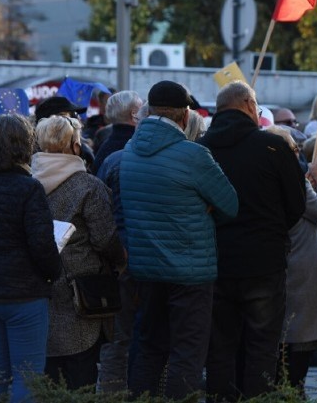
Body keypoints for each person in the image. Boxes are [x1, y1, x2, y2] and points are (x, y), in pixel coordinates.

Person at [120, 81, 238, 400]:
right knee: (187, 353)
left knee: (148, 348)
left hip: (146, 269)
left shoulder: (128, 153)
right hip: (191, 271)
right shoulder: (192, 154)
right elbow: (231, 204)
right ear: (184, 116)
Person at [198, 81, 305, 401]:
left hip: (213, 259)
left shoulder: (200, 148)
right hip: (264, 262)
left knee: (219, 347)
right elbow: (296, 205)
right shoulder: (272, 148)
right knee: (262, 346)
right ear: (247, 104)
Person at [0, 114, 61, 402]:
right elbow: (42, 244)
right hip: (25, 294)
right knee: (28, 377)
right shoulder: (29, 188)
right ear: (25, 145)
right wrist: (52, 273)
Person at [31, 116, 126, 389]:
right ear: (75, 146)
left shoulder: (29, 183)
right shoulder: (88, 186)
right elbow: (105, 238)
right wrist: (121, 260)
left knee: (49, 374)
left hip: (40, 289)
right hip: (82, 293)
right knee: (81, 374)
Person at [265, 125, 317, 394]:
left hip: (280, 268)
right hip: (302, 272)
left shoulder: (262, 178)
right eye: (294, 149)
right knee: (297, 351)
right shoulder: (294, 181)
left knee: (280, 349)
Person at [95, 103, 149, 393]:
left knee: (119, 337)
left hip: (123, 258)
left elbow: (102, 211)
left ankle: (113, 393)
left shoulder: (114, 160)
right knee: (144, 336)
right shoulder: (121, 160)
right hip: (146, 259)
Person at [90, 90, 143, 175]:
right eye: (142, 109)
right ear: (134, 114)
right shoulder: (135, 144)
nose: (145, 113)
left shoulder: (105, 146)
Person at [35, 96, 95, 170]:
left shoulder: (84, 151)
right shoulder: (30, 153)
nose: (74, 119)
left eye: (74, 115)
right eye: (63, 116)